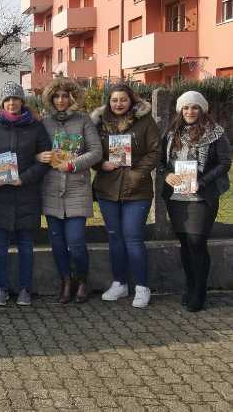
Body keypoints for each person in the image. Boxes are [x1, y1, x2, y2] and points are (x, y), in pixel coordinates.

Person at [91, 84, 162, 308]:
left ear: (131, 101)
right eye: (114, 100)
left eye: (123, 99)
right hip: (107, 187)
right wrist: (101, 164)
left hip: (136, 188)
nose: (119, 104)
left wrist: (138, 172)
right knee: (115, 238)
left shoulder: (146, 122)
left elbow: (156, 152)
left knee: (132, 237)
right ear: (108, 103)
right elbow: (91, 152)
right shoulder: (99, 124)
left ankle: (142, 287)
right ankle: (119, 284)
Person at [159, 91, 231, 312]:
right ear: (180, 110)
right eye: (186, 108)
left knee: (197, 243)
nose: (190, 112)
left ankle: (200, 292)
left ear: (202, 109)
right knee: (184, 243)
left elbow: (225, 163)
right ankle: (190, 287)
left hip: (202, 196)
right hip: (177, 196)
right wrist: (166, 175)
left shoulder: (216, 133)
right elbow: (161, 162)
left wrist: (203, 181)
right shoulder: (171, 133)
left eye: (195, 107)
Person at [0, 81, 51, 307]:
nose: (12, 103)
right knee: (0, 246)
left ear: (23, 101)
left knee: (26, 245)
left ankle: (24, 290)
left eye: (16, 98)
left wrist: (25, 178)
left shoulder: (36, 128)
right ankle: (1, 289)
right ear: (3, 102)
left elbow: (45, 161)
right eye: (8, 99)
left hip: (27, 194)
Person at [36, 78, 102, 304]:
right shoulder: (44, 123)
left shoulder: (84, 121)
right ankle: (66, 281)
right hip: (52, 188)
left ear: (73, 98)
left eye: (65, 96)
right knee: (56, 239)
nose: (61, 100)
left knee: (75, 240)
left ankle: (83, 280)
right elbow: (33, 150)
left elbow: (96, 152)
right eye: (56, 96)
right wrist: (38, 157)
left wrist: (73, 164)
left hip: (76, 188)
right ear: (50, 99)